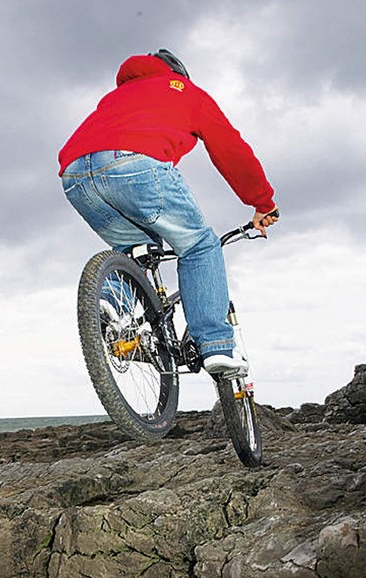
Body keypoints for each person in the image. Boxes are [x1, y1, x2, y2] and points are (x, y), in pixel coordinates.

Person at [58, 49, 278, 375]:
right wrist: (263, 202)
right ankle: (216, 344)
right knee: (200, 245)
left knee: (132, 253)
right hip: (135, 162)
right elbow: (231, 149)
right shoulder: (186, 91)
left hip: (75, 175)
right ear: (178, 73)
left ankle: (111, 308)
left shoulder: (114, 98)